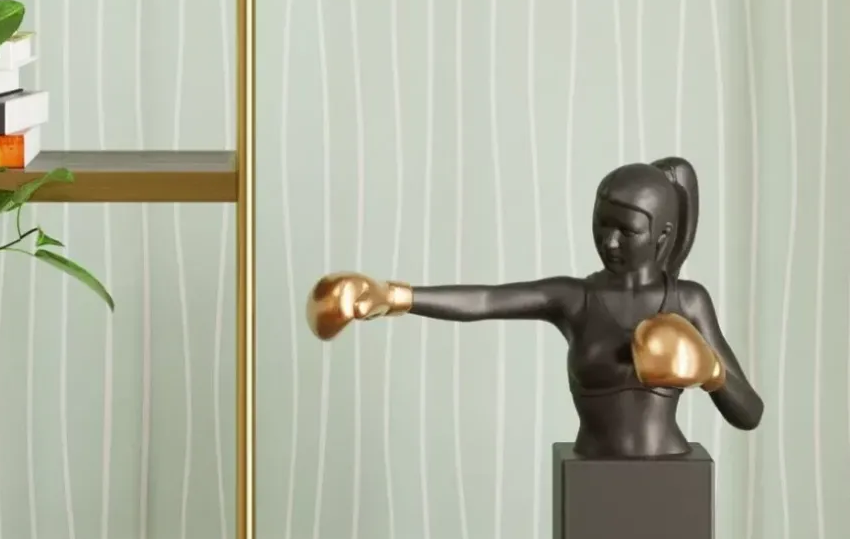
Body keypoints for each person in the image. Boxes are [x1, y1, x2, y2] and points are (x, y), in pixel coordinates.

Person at [306, 157, 764, 460]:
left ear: (661, 236)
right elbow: (488, 300)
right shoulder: (575, 298)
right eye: (601, 225)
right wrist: (393, 296)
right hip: (591, 475)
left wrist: (711, 372)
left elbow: (749, 413)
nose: (609, 242)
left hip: (671, 475)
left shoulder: (688, 300)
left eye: (626, 231)